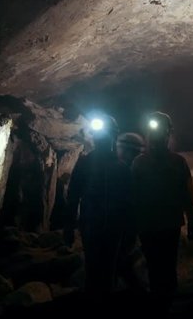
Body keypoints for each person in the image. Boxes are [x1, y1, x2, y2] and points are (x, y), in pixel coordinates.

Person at [131, 111, 193, 307]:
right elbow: (133, 196)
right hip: (156, 223)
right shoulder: (142, 163)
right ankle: (163, 305)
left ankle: (165, 305)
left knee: (164, 268)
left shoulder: (174, 162)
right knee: (158, 267)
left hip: (161, 223)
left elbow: (187, 195)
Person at [64, 114, 131, 293]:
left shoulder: (121, 167)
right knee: (97, 270)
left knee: (107, 269)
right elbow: (73, 196)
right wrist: (69, 227)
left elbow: (129, 201)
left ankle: (101, 305)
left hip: (108, 226)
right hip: (95, 225)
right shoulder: (89, 164)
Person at [115, 132, 148, 292]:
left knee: (125, 256)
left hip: (129, 222)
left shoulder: (139, 171)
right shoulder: (114, 169)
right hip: (119, 221)